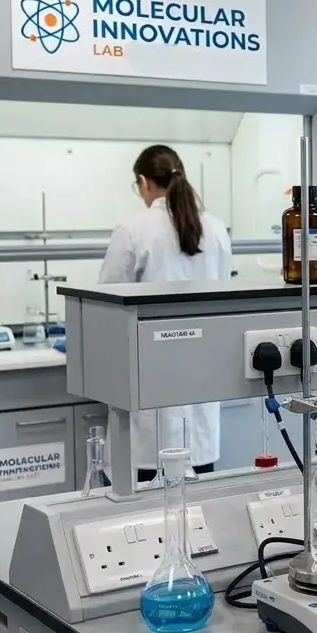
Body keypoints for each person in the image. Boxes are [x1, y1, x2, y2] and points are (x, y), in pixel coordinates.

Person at [100, 145, 232, 483]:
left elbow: (107, 306)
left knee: (145, 497)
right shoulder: (217, 229)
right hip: (202, 381)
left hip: (148, 384)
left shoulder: (133, 230)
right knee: (197, 497)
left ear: (144, 182)